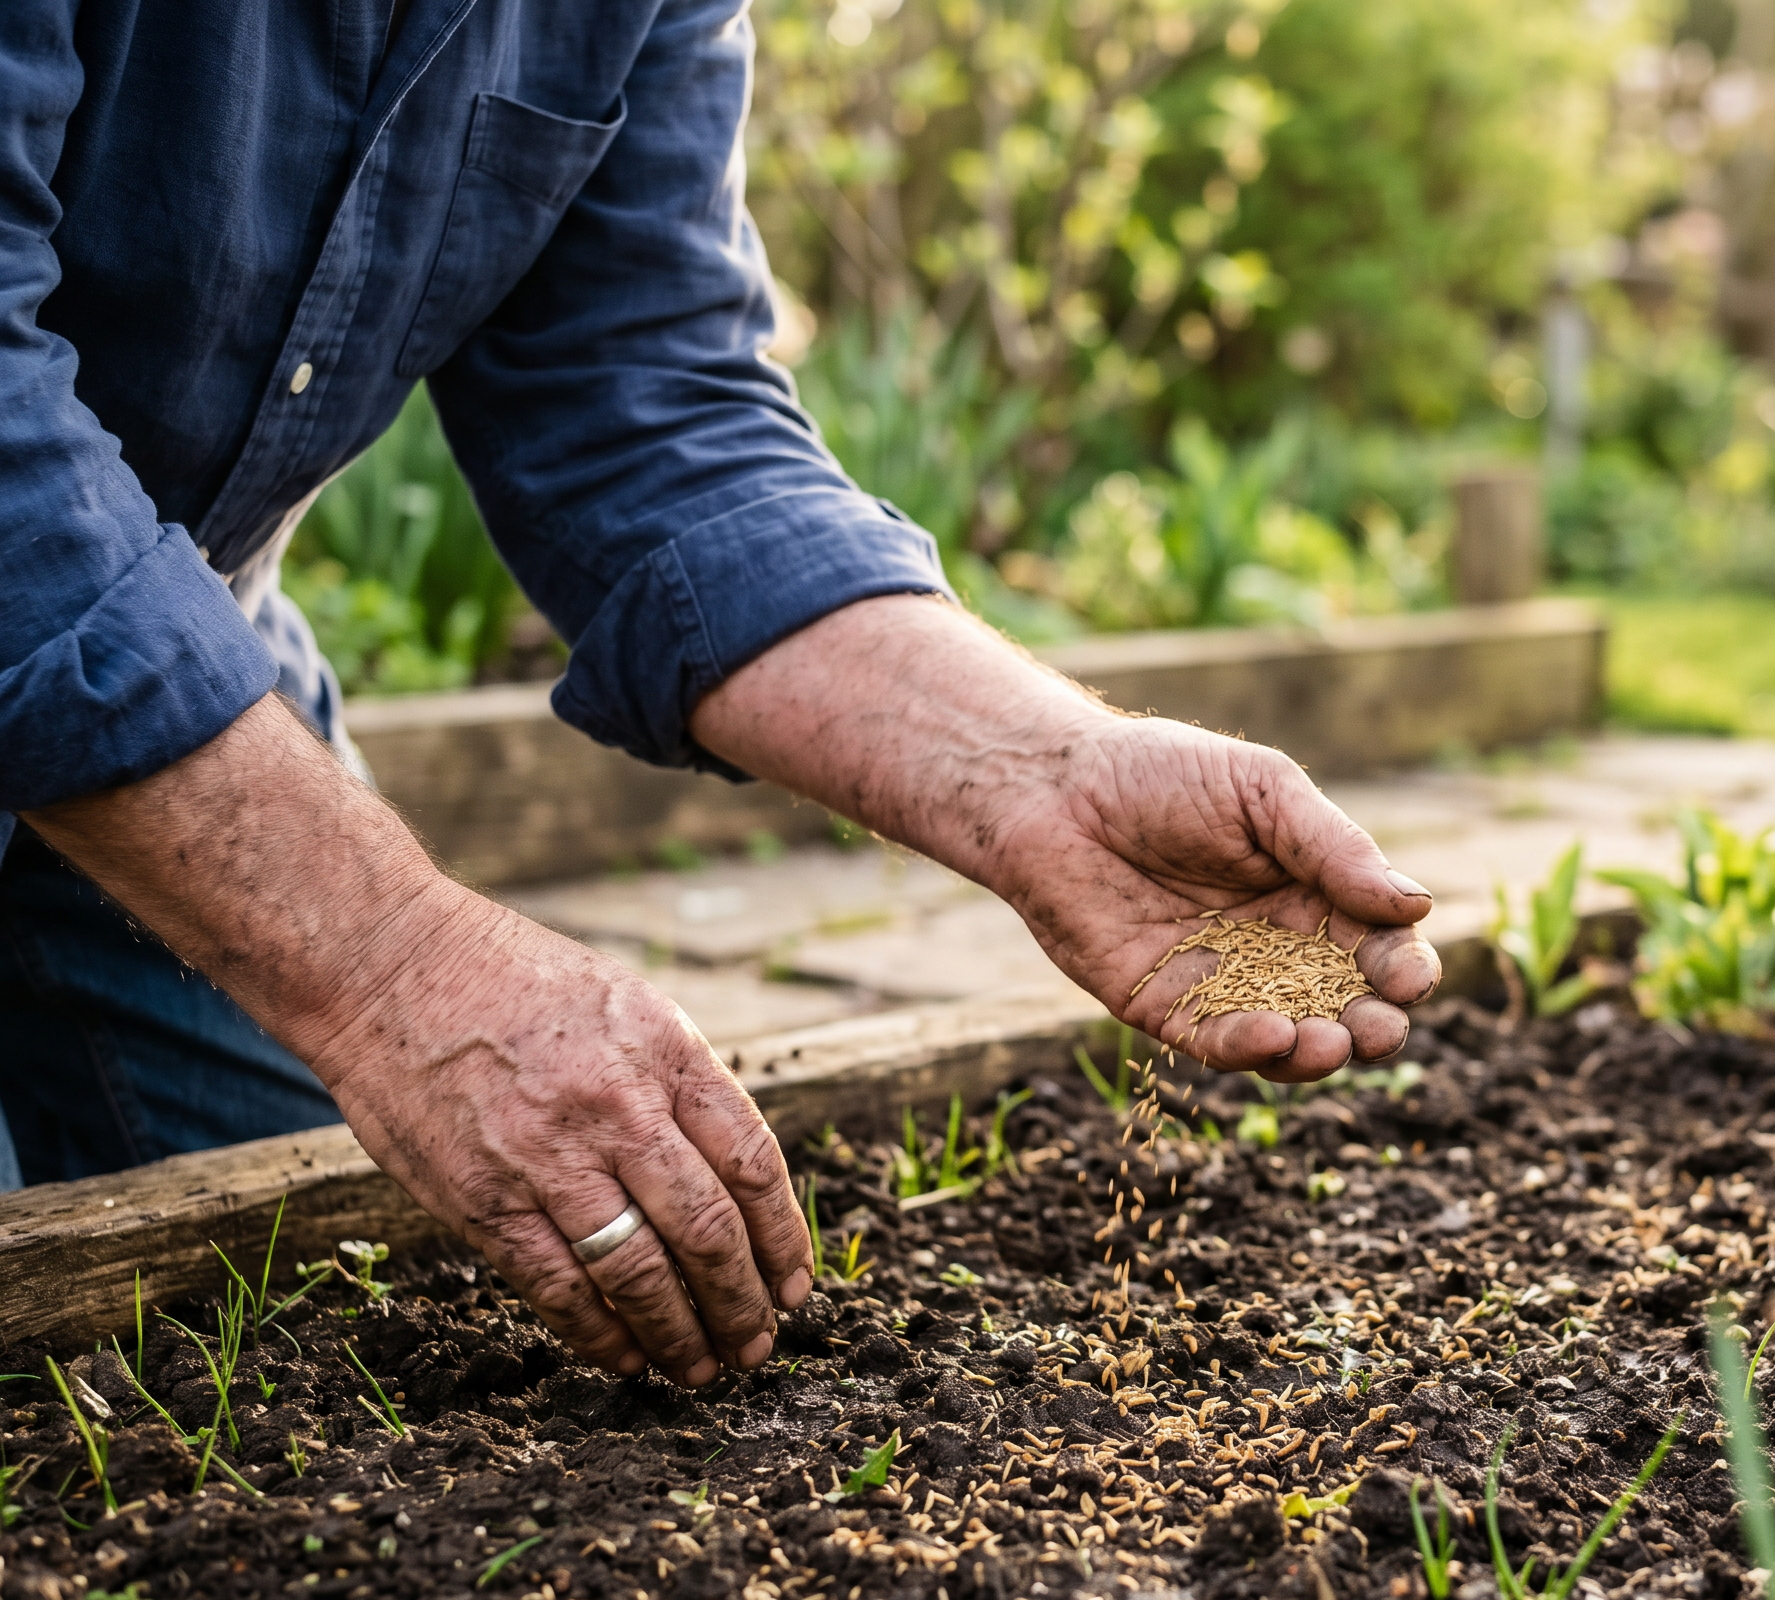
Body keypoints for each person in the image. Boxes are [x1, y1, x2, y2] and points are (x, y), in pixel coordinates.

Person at [0, 3, 1439, 1387]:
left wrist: (1041, 771)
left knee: (297, 1310)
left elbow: (645, 404)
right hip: (135, 678)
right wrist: (391, 965)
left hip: (183, 687)